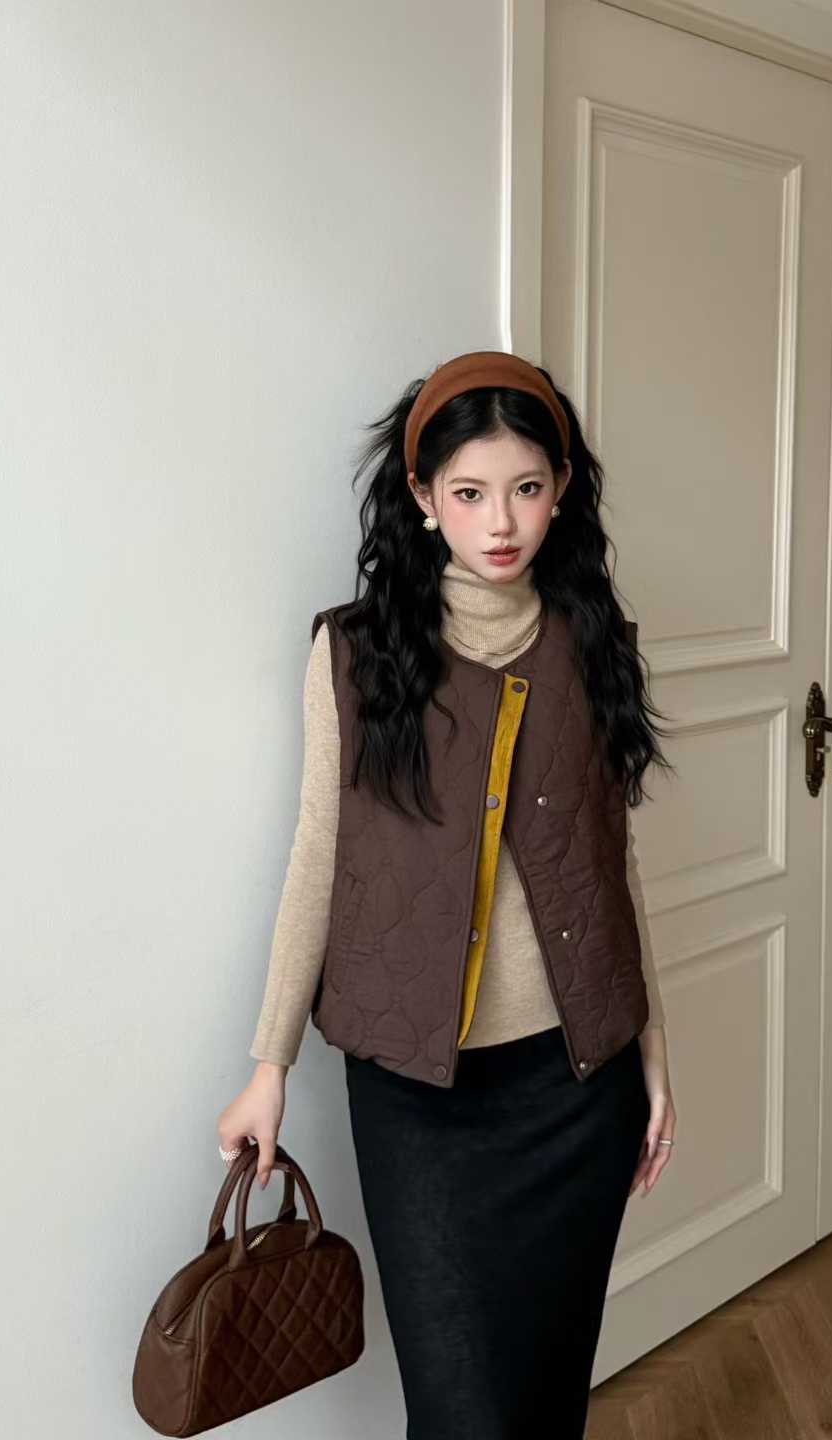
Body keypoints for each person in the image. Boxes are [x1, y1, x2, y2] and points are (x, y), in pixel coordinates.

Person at [218, 350, 678, 1439]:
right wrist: (268, 1066)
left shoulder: (592, 642)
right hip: (419, 1097)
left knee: (548, 1396)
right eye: (470, 492)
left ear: (562, 490)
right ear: (423, 497)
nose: (501, 521)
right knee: (460, 1409)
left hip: (578, 1084)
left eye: (526, 488)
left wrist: (653, 1052)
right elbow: (319, 855)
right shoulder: (356, 654)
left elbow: (613, 864)